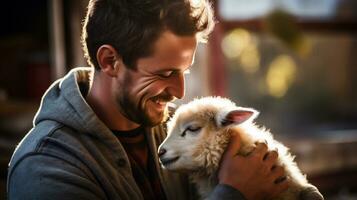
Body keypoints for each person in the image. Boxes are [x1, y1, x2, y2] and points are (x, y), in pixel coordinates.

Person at [7, 0, 289, 199]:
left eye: (184, 71)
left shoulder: (180, 128)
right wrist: (232, 194)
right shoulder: (46, 168)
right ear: (110, 61)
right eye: (165, 73)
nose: (179, 91)